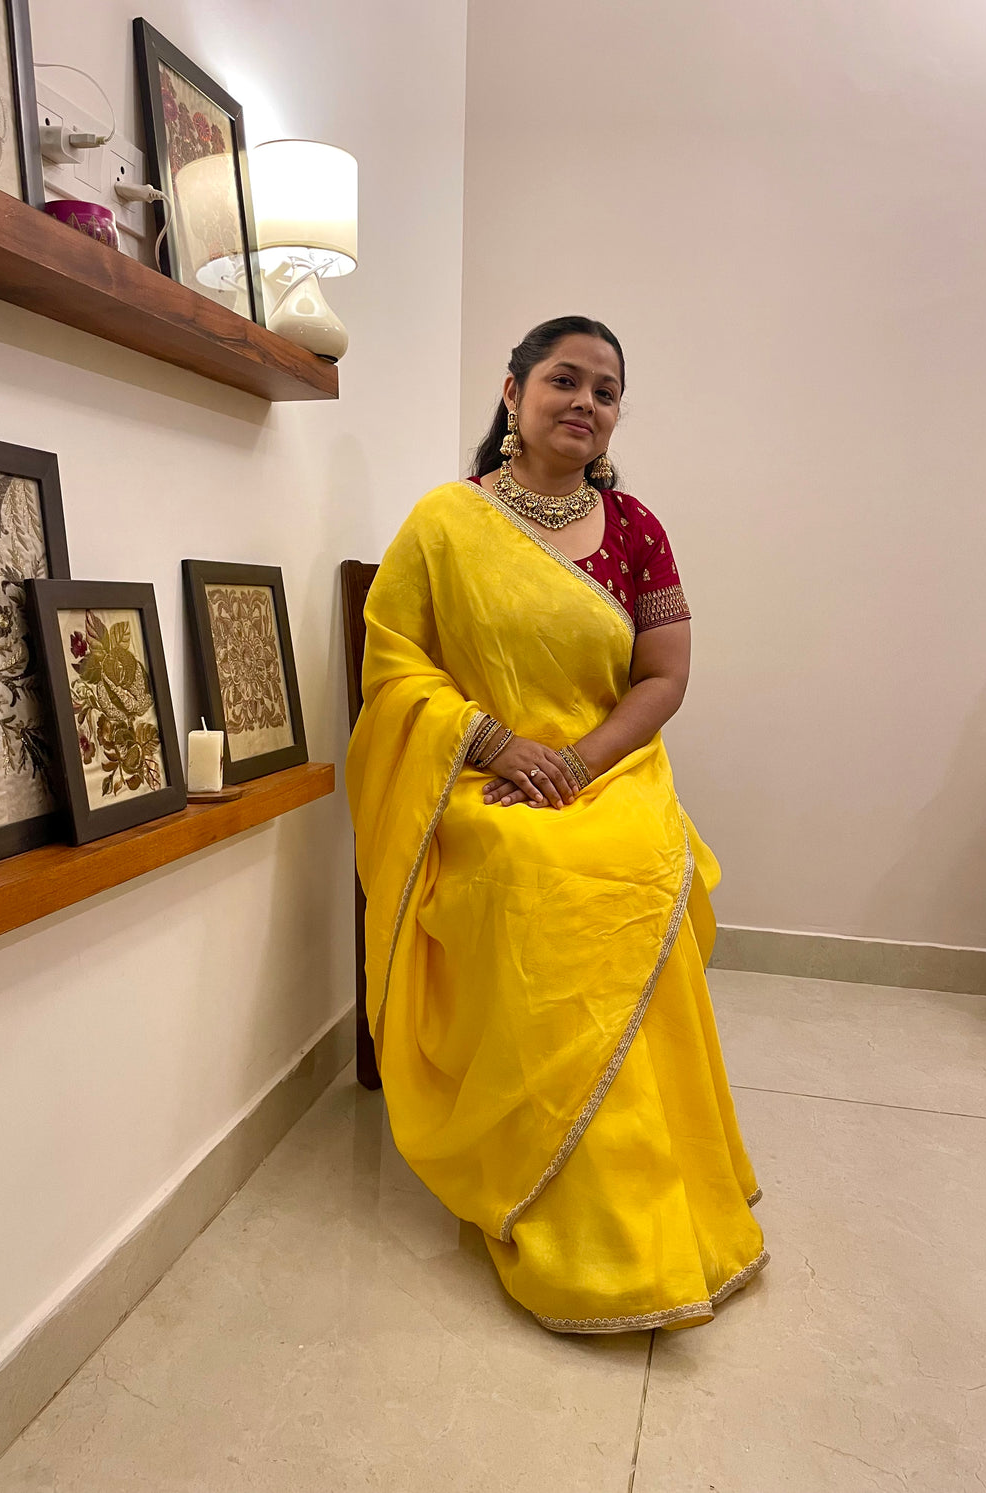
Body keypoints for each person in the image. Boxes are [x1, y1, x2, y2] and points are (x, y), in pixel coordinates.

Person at [346, 316, 767, 1332]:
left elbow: (662, 678)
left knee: (631, 863)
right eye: (564, 379)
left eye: (605, 389)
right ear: (512, 392)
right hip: (480, 769)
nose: (584, 400)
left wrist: (578, 761)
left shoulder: (636, 529)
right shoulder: (446, 521)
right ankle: (541, 1181)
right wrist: (495, 745)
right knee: (524, 861)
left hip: (609, 767)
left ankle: (654, 1181)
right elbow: (395, 666)